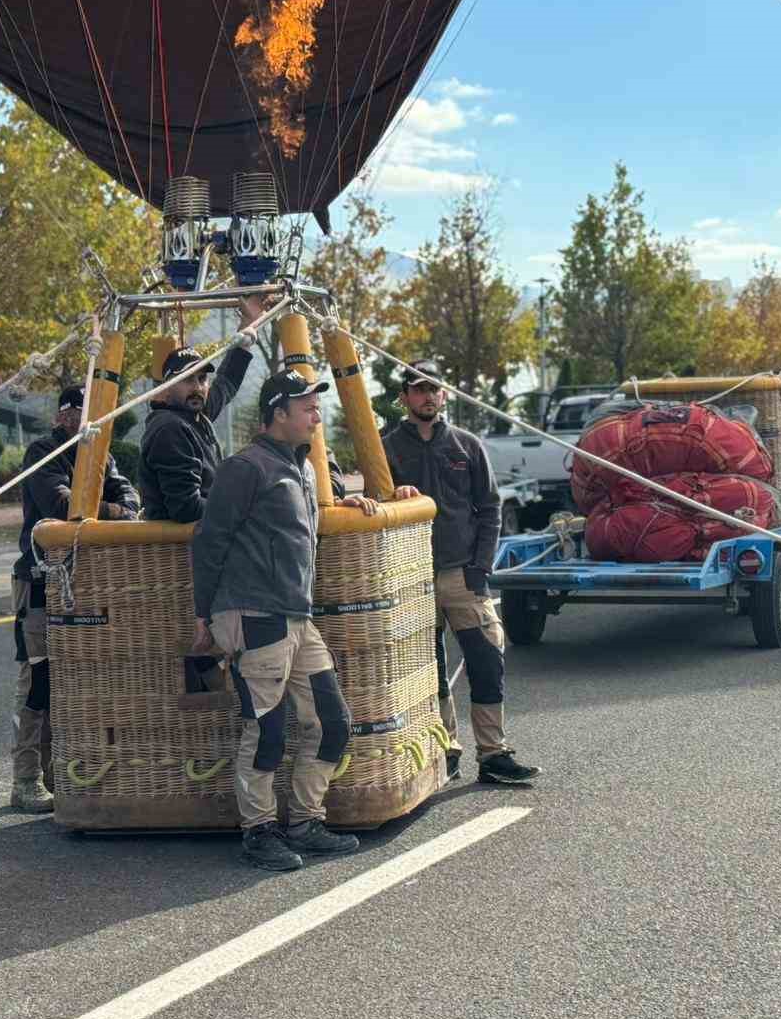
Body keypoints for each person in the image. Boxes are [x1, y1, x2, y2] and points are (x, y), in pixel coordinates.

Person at [191, 369, 381, 870]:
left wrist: (343, 498)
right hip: (257, 616)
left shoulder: (298, 466)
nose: (317, 415)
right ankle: (259, 830)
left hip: (298, 617)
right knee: (267, 730)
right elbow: (210, 542)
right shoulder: (245, 467)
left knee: (333, 723)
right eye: (308, 407)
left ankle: (304, 821)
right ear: (278, 412)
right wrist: (204, 615)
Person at [383, 360, 540, 786]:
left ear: (445, 394)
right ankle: (443, 750)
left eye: (434, 388)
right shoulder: (384, 446)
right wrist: (390, 495)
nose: (427, 396)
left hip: (463, 576)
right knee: (427, 670)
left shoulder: (468, 446)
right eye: (418, 389)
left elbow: (490, 510)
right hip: (410, 578)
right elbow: (373, 506)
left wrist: (480, 568)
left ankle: (492, 754)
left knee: (487, 659)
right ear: (404, 397)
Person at [8, 385, 140, 813]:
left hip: (85, 581)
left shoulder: (103, 455)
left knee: (76, 680)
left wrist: (114, 509)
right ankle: (26, 778)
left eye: (95, 413)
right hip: (40, 579)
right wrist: (113, 511)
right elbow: (65, 508)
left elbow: (130, 499)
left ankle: (56, 772)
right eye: (80, 412)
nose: (88, 421)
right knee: (39, 682)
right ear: (62, 416)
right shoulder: (43, 452)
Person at [140, 295, 267, 523]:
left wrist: (249, 322)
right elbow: (186, 508)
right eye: (188, 380)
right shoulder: (170, 429)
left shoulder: (194, 416)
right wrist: (244, 514)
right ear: (167, 388)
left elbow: (227, 382)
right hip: (178, 550)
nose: (198, 387)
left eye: (202, 379)